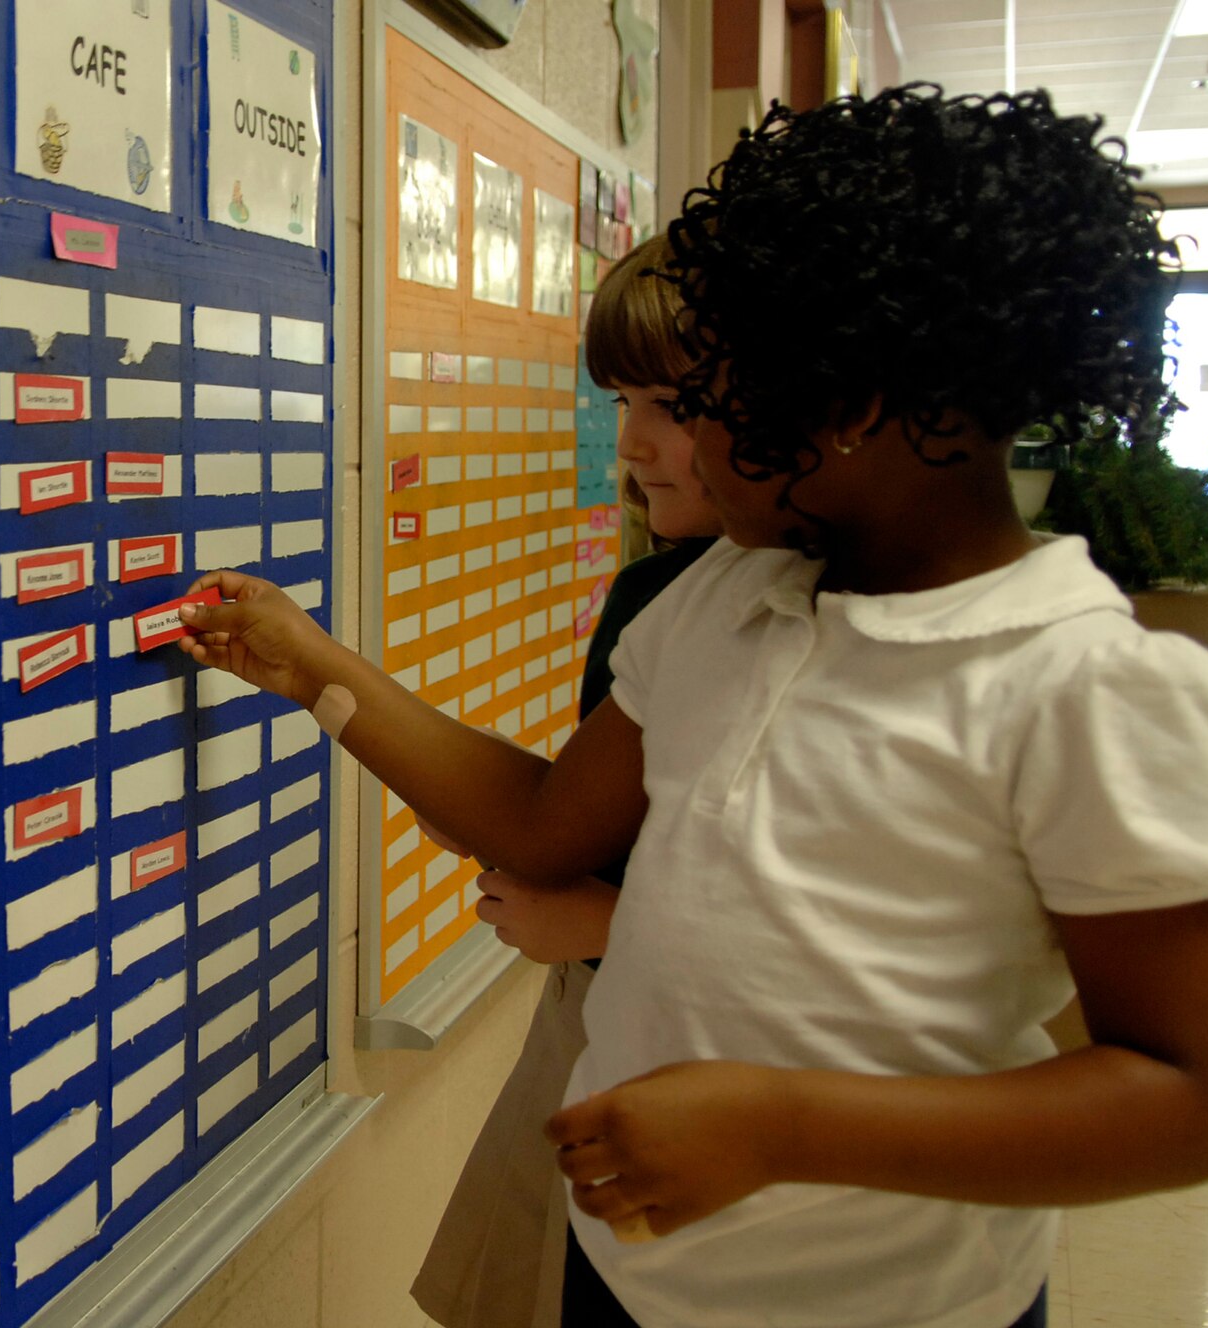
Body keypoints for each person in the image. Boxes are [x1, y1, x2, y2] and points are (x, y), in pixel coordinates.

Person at [179, 85, 1208, 1328]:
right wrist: (312, 663)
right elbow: (542, 824)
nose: (660, 449)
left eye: (702, 403)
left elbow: (1188, 1098)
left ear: (853, 406)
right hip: (631, 1272)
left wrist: (782, 1121)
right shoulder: (718, 599)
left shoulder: (1090, 690)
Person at [409, 235, 723, 1328]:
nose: (629, 440)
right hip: (604, 1025)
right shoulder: (660, 591)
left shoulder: (711, 608)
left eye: (672, 402)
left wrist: (605, 917)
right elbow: (568, 822)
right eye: (621, 398)